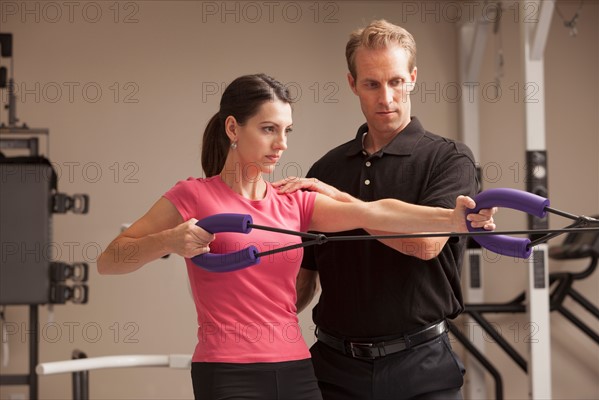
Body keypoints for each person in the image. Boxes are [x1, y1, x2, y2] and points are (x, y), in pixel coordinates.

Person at [97, 73, 494, 400]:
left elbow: (372, 212)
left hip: (297, 371)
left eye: (286, 130)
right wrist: (167, 242)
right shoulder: (193, 195)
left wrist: (453, 218)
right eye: (268, 129)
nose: (281, 144)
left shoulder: (295, 204)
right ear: (233, 127)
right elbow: (110, 260)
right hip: (227, 371)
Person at [275, 20, 485, 400]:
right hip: (333, 369)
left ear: (413, 78)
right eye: (371, 84)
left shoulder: (449, 159)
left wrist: (342, 203)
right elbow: (304, 279)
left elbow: (426, 244)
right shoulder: (326, 170)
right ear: (353, 84)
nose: (386, 97)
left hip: (422, 369)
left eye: (396, 82)